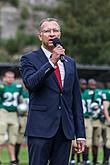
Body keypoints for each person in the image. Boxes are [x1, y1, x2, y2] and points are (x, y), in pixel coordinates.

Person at [19, 17, 86, 165]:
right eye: (47, 31)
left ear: (60, 34)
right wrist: (51, 62)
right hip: (40, 129)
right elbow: (30, 84)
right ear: (40, 36)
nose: (51, 34)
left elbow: (75, 99)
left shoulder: (70, 63)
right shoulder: (29, 59)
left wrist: (80, 134)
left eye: (55, 30)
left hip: (64, 130)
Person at [0, 71, 23, 165]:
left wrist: (23, 106)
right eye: (8, 77)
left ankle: (13, 160)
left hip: (14, 113)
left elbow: (20, 99)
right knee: (0, 138)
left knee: (13, 139)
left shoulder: (18, 87)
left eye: (12, 77)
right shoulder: (1, 87)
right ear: (4, 78)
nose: (10, 79)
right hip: (3, 112)